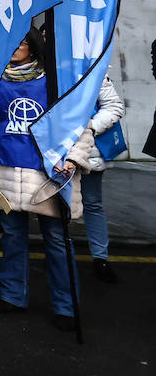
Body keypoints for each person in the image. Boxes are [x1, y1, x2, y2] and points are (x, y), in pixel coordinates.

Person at [0, 29, 87, 331]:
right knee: (12, 237)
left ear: (33, 47)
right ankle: (12, 295)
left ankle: (66, 305)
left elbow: (78, 122)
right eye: (9, 43)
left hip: (49, 173)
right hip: (5, 171)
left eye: (20, 44)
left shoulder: (58, 81)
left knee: (57, 241)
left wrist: (74, 157)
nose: (14, 49)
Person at [79, 76, 124, 283]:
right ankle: (60, 253)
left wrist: (88, 129)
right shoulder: (45, 64)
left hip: (90, 150)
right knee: (57, 206)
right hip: (57, 152)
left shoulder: (95, 66)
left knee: (92, 202)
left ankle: (100, 258)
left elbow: (114, 106)